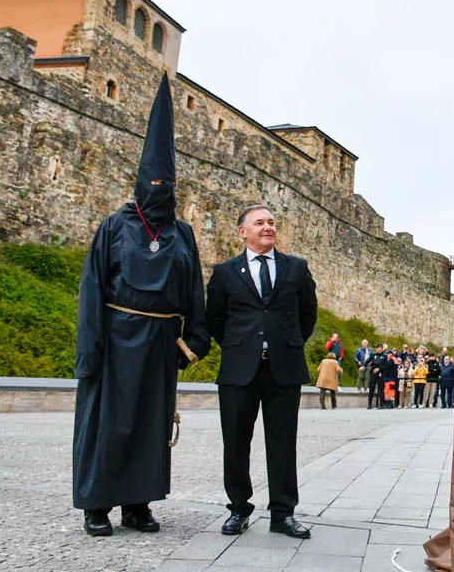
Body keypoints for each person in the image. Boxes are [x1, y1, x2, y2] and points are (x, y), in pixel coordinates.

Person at [73, 74, 210, 537]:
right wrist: (90, 348)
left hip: (157, 342)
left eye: (165, 183)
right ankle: (97, 504)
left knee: (151, 425)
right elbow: (93, 287)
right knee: (107, 421)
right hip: (115, 338)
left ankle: (137, 503)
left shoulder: (181, 233)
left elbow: (195, 292)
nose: (159, 189)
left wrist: (190, 343)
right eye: (152, 182)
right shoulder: (114, 227)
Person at [206, 204, 317, 539]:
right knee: (236, 441)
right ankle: (238, 509)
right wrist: (240, 345)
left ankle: (283, 514)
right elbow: (215, 318)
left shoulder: (296, 268)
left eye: (271, 222)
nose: (268, 227)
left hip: (284, 368)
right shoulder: (226, 272)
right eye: (259, 222)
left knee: (283, 442)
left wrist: (286, 342)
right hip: (239, 370)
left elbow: (307, 314)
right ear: (243, 231)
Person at [366, 343, 387, 409]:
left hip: (381, 373)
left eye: (379, 348)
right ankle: (369, 404)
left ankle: (381, 404)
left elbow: (386, 366)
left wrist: (379, 369)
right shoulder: (373, 355)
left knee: (381, 389)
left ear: (381, 349)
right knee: (371, 388)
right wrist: (363, 366)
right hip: (373, 373)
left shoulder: (384, 356)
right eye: (377, 348)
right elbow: (367, 361)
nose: (378, 349)